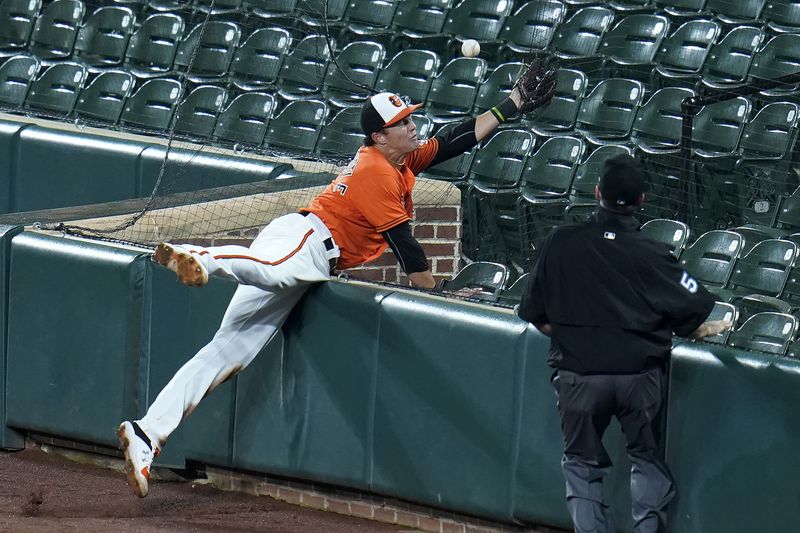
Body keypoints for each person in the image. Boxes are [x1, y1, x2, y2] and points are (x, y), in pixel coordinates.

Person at [117, 65, 557, 498]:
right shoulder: (377, 172)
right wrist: (437, 293)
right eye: (402, 124)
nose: (413, 127)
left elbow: (455, 140)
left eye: (410, 118)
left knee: (227, 350)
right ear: (379, 137)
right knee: (269, 268)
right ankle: (199, 257)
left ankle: (147, 433)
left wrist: (512, 103)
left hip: (313, 252)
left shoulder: (399, 159)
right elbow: (406, 247)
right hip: (307, 238)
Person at [516, 155, 732, 533]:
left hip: (578, 377)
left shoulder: (560, 242)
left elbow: (532, 310)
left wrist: (574, 333)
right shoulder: (652, 253)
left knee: (581, 465)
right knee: (646, 459)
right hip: (639, 378)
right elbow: (698, 302)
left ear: (597, 192)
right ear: (642, 201)